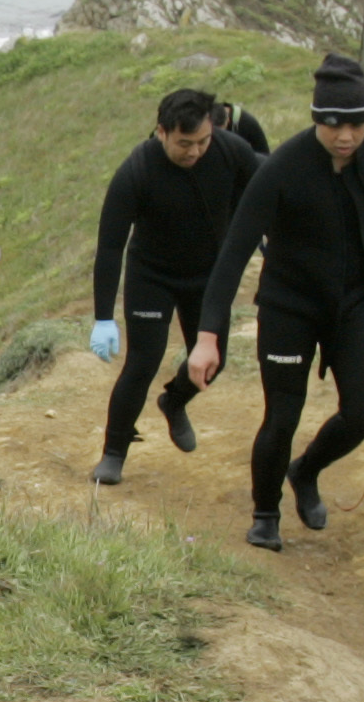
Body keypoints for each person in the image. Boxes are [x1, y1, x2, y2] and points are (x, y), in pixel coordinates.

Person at [193, 54, 364, 551]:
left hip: (354, 303)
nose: (346, 136)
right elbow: (233, 256)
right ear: (316, 119)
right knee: (282, 415)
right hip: (289, 305)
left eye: (357, 123)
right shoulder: (283, 168)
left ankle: (305, 472)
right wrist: (207, 337)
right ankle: (265, 512)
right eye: (333, 124)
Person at [87, 88, 263, 484]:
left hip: (208, 276)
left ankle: (174, 400)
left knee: (212, 361)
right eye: (185, 144)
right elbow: (111, 246)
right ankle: (114, 451)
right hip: (153, 274)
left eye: (203, 141)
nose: (195, 152)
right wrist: (103, 317)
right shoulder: (137, 170)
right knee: (142, 361)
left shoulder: (232, 151)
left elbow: (263, 198)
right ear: (162, 132)